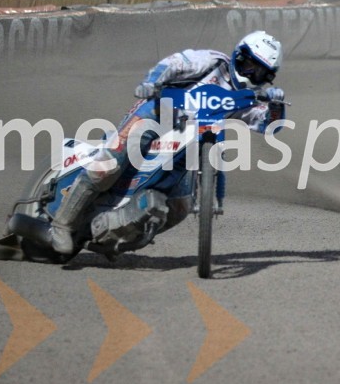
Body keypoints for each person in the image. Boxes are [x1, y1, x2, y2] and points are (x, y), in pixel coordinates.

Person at [47, 32, 287, 254]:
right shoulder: (213, 61)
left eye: (259, 73)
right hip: (156, 112)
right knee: (107, 167)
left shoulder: (248, 100)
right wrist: (152, 81)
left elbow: (269, 125)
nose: (251, 74)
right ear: (238, 56)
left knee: (179, 208)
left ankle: (115, 236)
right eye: (249, 65)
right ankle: (61, 224)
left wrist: (276, 105)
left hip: (192, 140)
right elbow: (174, 63)